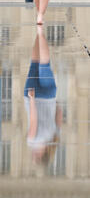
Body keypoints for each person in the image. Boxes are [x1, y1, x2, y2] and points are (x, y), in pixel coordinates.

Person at [24, 25, 62, 170]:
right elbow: (33, 121)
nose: (32, 156)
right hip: (33, 97)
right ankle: (38, 32)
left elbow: (59, 115)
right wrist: (32, 100)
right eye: (34, 158)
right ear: (39, 156)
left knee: (45, 65)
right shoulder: (33, 142)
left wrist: (55, 101)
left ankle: (40, 33)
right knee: (34, 65)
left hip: (49, 95)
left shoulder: (54, 139)